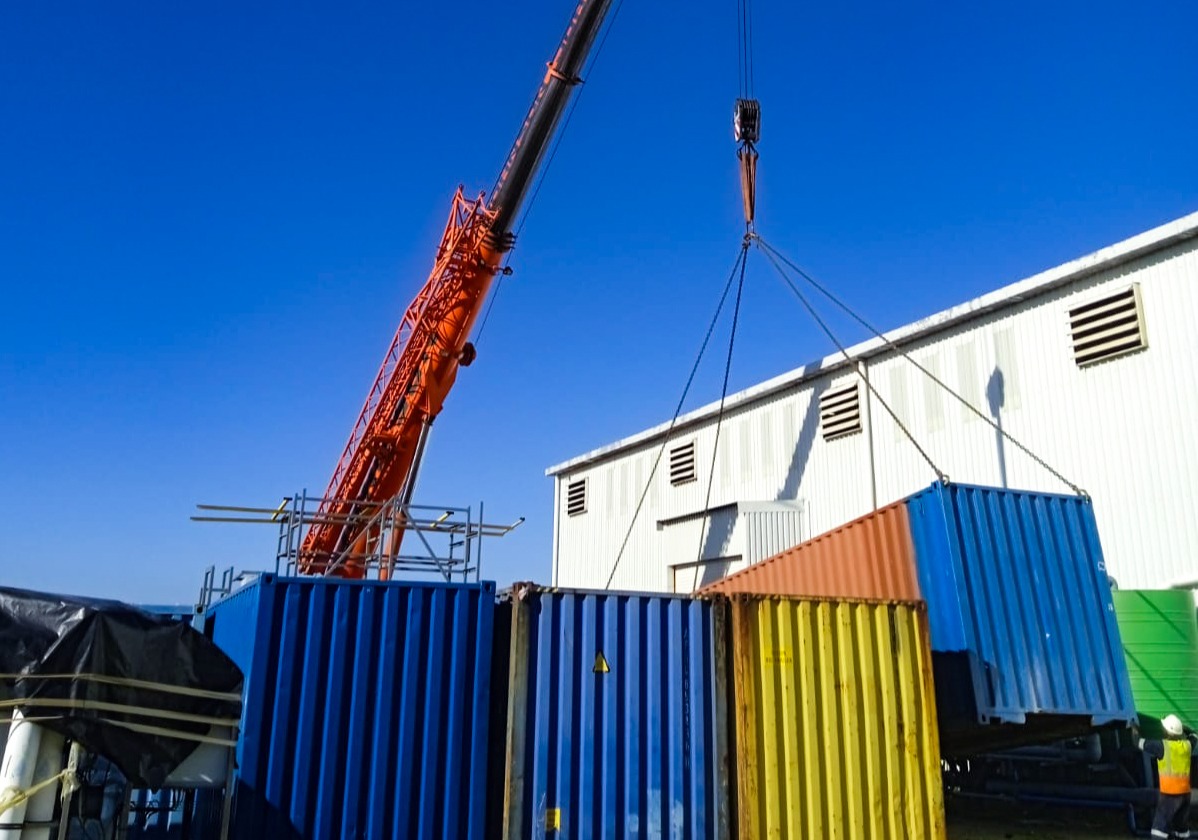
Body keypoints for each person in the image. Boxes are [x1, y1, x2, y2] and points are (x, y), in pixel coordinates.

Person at [1139, 714, 1198, 839]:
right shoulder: (1187, 746)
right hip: (1185, 795)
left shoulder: (1162, 746)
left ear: (1166, 731)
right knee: (1181, 828)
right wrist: (1184, 729)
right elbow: (1194, 736)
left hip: (1169, 795)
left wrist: (1133, 727)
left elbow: (1138, 742)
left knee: (1159, 830)